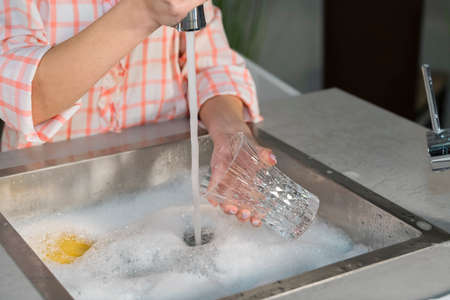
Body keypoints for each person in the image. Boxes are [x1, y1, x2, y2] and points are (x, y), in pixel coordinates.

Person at [0, 0, 276, 225]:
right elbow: (25, 95)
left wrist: (231, 132)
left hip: (164, 183)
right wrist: (144, 9)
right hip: (47, 200)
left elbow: (210, 64)